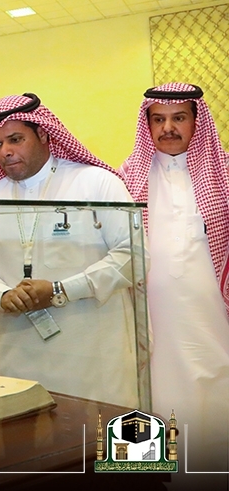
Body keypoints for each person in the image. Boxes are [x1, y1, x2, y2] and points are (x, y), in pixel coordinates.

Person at [0, 93, 138, 407]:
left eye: (15, 139)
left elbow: (134, 256)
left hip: (90, 350)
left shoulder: (96, 184)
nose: (6, 152)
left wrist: (60, 290)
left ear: (43, 133)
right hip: (16, 347)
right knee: (27, 443)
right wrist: (0, 293)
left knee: (93, 445)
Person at [118, 82, 229, 470]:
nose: (168, 127)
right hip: (152, 315)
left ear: (197, 122)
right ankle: (152, 475)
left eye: (179, 118)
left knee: (216, 387)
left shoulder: (223, 172)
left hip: (213, 312)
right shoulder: (127, 178)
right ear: (146, 124)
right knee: (154, 391)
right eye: (158, 119)